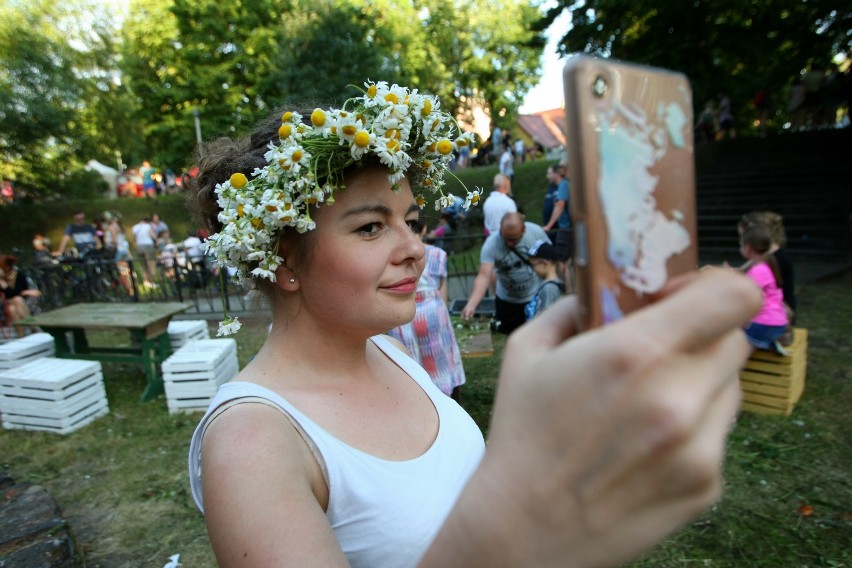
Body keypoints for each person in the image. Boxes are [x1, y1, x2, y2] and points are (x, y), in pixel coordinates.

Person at [185, 80, 764, 568]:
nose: (414, 247)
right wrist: (530, 510)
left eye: (411, 221)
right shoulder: (251, 443)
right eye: (370, 228)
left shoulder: (388, 351)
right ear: (286, 261)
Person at [388, 214, 466, 400]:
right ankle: (448, 399)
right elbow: (442, 293)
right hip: (433, 313)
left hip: (404, 314)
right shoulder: (438, 255)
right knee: (442, 360)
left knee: (409, 361)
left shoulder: (393, 255)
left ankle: (419, 400)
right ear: (424, 230)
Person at [461, 212, 549, 335]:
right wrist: (471, 304)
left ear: (523, 230)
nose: (509, 243)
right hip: (507, 301)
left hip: (534, 297)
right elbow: (484, 276)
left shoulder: (536, 233)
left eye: (514, 239)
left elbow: (551, 260)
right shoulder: (492, 243)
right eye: (505, 238)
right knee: (510, 339)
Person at [737, 223, 789, 354]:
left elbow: (745, 297)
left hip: (764, 325)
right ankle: (769, 343)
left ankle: (764, 342)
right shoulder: (768, 265)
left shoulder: (758, 271)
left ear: (747, 248)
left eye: (741, 244)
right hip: (778, 323)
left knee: (730, 343)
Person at [738, 211, 796, 328]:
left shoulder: (774, 260)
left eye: (743, 238)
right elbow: (741, 271)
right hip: (775, 315)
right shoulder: (765, 256)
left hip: (776, 318)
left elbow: (751, 291)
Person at [541, 163, 574, 293]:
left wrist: (549, 225)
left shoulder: (563, 185)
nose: (547, 176)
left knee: (562, 262)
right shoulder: (567, 184)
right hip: (569, 228)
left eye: (549, 173)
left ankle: (568, 291)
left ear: (556, 173)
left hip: (565, 229)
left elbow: (560, 205)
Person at [0, 254, 41, 335]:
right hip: (4, 306)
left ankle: (22, 335)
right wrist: (3, 282)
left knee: (15, 305)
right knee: (16, 301)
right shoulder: (1, 280)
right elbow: (9, 295)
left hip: (23, 302)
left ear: (7, 266)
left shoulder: (19, 275)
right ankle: (32, 328)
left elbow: (15, 292)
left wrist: (22, 292)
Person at [524, 240, 564, 320]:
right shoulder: (547, 285)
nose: (532, 269)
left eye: (533, 265)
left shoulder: (549, 288)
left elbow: (547, 318)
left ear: (544, 264)